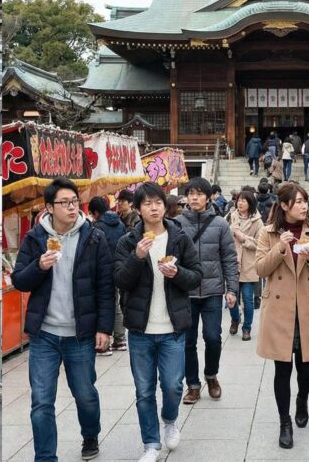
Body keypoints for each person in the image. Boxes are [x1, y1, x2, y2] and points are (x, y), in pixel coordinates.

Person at [11, 177, 114, 462]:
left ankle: (90, 434)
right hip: (44, 335)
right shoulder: (35, 238)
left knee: (85, 395)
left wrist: (104, 328)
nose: (71, 207)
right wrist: (39, 266)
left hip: (80, 335)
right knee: (41, 402)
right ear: (49, 207)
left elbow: (106, 286)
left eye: (74, 202)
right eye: (64, 203)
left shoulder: (94, 237)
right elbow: (19, 280)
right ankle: (45, 457)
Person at [112, 182, 203, 461]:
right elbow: (120, 280)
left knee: (174, 385)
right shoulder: (128, 242)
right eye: (147, 203)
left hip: (173, 328)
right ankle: (151, 444)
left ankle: (170, 419)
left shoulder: (179, 238)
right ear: (138, 209)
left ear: (165, 206)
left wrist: (177, 273)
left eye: (158, 202)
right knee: (143, 390)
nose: (154, 207)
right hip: (140, 330)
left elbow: (197, 276)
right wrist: (137, 257)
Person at [255, 182, 309, 449]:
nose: (303, 206)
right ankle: (284, 422)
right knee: (281, 368)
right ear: (285, 205)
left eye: (304, 201)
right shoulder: (268, 233)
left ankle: (302, 399)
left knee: (306, 366)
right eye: (298, 202)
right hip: (279, 310)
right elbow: (260, 270)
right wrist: (280, 248)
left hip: (307, 308)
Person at [174, 177, 239, 405]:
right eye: (191, 193)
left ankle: (211, 375)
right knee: (188, 341)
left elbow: (230, 258)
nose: (194, 197)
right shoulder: (177, 223)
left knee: (212, 337)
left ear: (209, 197)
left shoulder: (220, 224)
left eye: (199, 194)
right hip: (185, 293)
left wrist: (232, 289)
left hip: (212, 291)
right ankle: (192, 384)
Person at [89, 196, 128, 354]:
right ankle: (120, 340)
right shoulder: (120, 223)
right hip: (119, 267)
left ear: (96, 212)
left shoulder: (97, 227)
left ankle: (105, 342)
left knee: (103, 303)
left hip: (103, 270)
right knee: (116, 304)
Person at [227, 190, 263, 341]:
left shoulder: (257, 221)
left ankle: (247, 327)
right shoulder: (231, 217)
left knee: (248, 299)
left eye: (244, 201)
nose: (240, 203)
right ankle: (235, 319)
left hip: (249, 265)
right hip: (233, 263)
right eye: (238, 200)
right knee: (231, 298)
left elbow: (260, 244)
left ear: (250, 203)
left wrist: (243, 238)